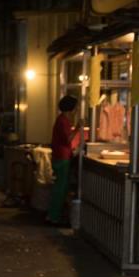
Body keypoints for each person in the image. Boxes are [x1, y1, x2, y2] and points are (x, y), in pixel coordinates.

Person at [47, 95, 81, 224]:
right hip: (62, 158)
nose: (76, 110)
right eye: (76, 108)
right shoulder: (63, 121)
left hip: (60, 156)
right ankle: (53, 217)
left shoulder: (62, 120)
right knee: (60, 189)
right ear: (70, 109)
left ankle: (53, 216)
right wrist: (78, 127)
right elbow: (68, 139)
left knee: (60, 188)